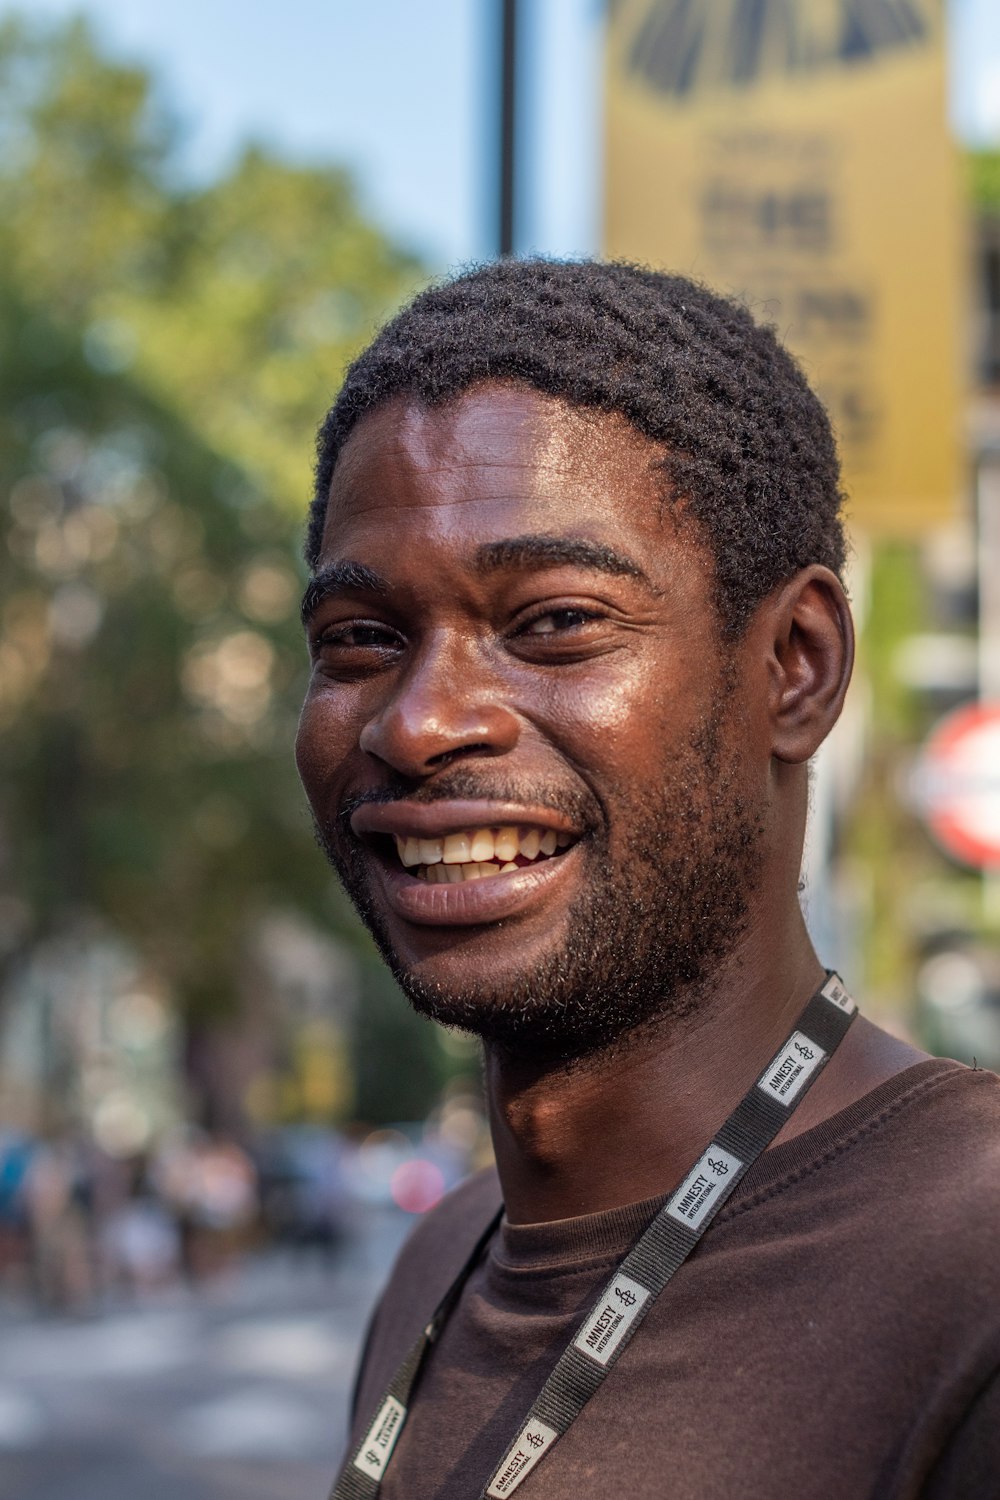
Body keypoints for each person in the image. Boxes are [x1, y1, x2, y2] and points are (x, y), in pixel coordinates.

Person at [295, 259, 1000, 1499]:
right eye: (362, 640)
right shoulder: (441, 1261)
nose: (417, 725)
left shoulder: (970, 1268)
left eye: (553, 623)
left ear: (794, 666)